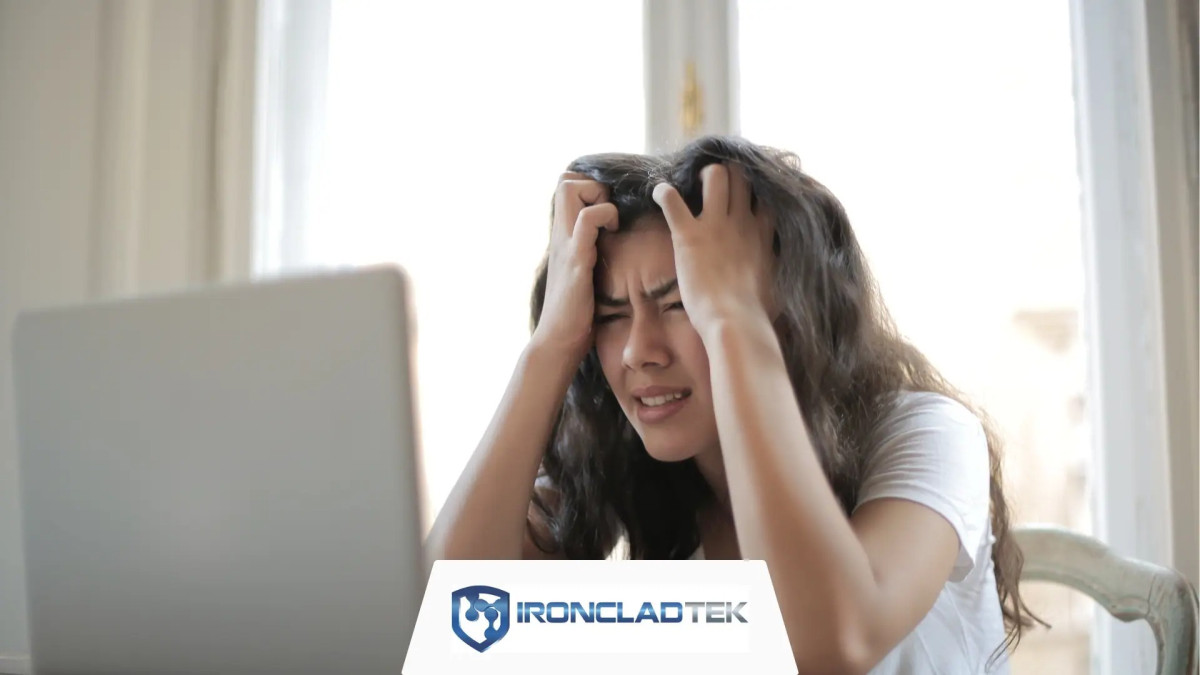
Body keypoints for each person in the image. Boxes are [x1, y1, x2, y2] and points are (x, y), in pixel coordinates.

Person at [426, 135, 1041, 673]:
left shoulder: (929, 432)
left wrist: (733, 322)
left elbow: (832, 644)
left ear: (787, 311)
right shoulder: (626, 462)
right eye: (610, 316)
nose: (639, 351)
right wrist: (551, 345)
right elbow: (447, 621)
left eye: (681, 304)